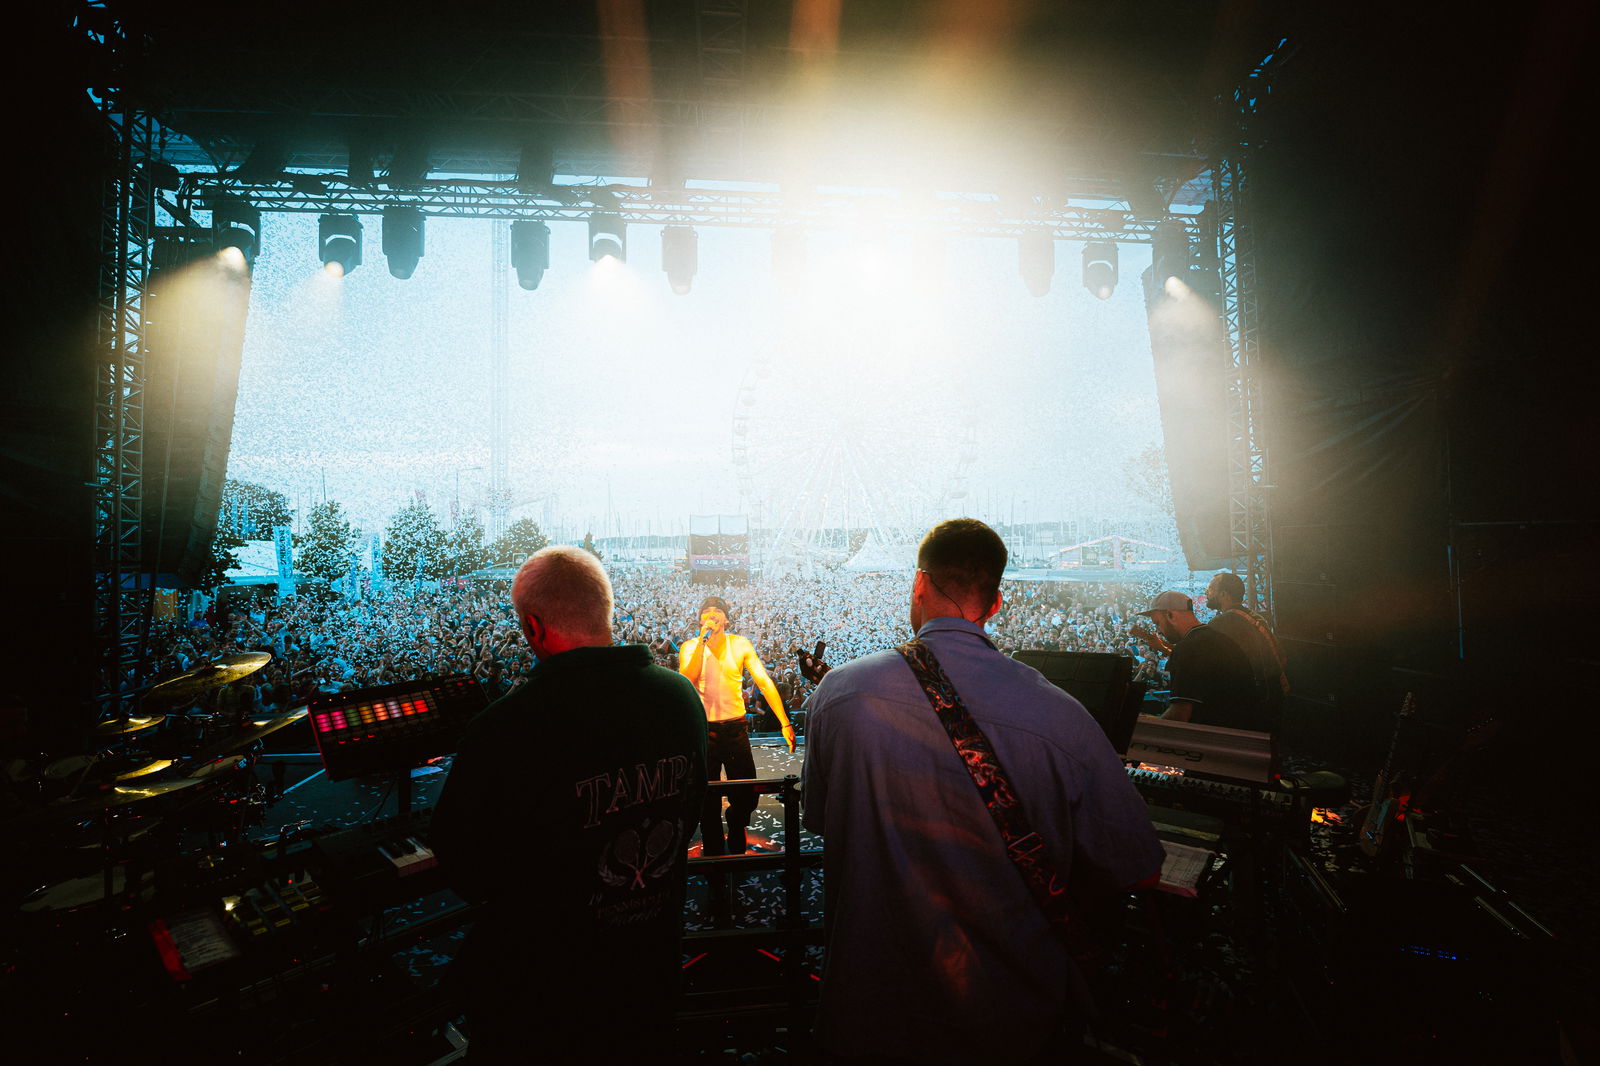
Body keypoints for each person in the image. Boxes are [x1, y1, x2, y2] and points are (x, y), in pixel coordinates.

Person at [800, 519, 1164, 1065]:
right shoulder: (1064, 716)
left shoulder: (841, 691)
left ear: (918, 585)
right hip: (1008, 1019)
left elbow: (822, 819)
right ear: (996, 603)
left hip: (869, 1010)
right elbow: (1139, 867)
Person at [431, 546, 707, 1063]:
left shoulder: (506, 727)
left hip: (546, 995)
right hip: (649, 968)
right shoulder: (679, 697)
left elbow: (466, 868)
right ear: (605, 609)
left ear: (534, 627)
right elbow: (687, 816)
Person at [678, 595, 795, 855]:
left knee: (746, 793)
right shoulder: (690, 647)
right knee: (706, 797)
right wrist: (702, 640)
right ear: (700, 619)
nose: (711, 615)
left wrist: (785, 723)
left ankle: (736, 819)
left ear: (726, 618)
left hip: (735, 729)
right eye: (706, 612)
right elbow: (687, 679)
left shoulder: (739, 644)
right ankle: (714, 851)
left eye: (716, 611)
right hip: (704, 731)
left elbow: (763, 682)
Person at [1136, 589, 1265, 732]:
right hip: (1244, 731)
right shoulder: (1215, 638)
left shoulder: (1188, 647)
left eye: (1157, 623)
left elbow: (1180, 715)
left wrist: (1146, 728)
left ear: (1171, 615)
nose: (1158, 630)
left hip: (1219, 738)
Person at [1204, 571, 1289, 727]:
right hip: (1272, 694)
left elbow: (1200, 659)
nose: (1207, 592)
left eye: (1211, 588)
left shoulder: (1223, 622)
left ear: (1223, 594)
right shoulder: (1252, 616)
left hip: (1253, 701)